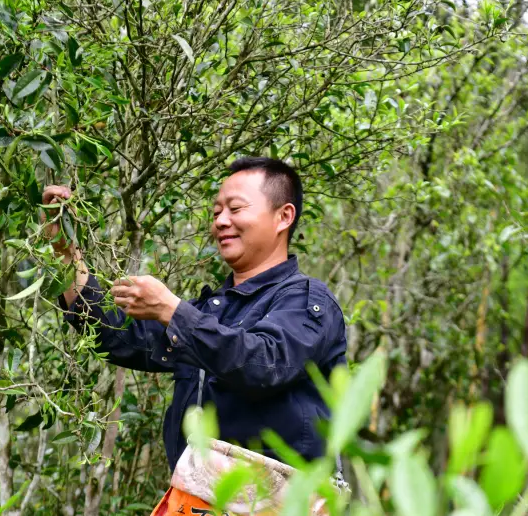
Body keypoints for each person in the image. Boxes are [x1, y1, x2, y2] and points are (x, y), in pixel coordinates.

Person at [43, 157, 347, 471]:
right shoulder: (211, 311)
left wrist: (171, 311)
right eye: (216, 212)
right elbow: (116, 336)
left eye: (236, 208)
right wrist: (66, 252)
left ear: (283, 216)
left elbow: (264, 364)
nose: (221, 221)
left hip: (280, 514)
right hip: (204, 510)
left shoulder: (309, 301)